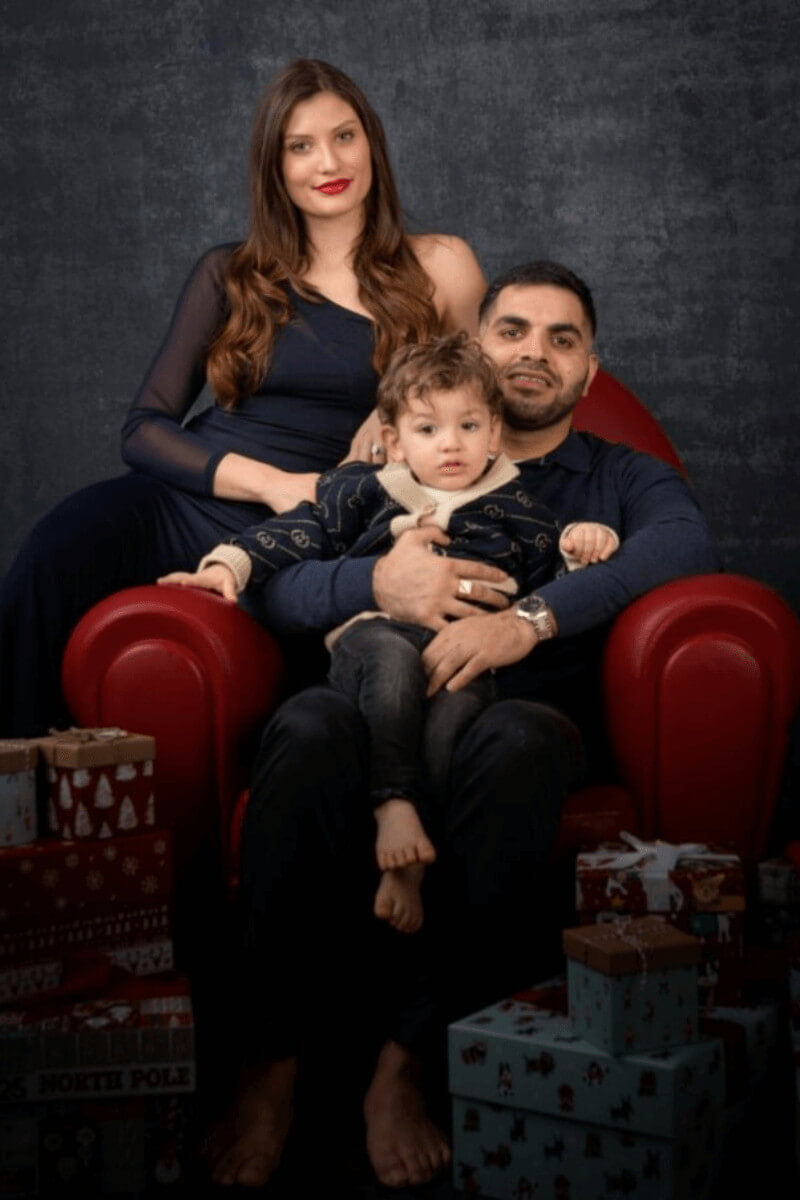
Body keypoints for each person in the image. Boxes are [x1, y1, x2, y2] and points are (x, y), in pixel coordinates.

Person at [203, 262, 721, 1190]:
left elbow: (684, 545)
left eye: (563, 339)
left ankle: (405, 1063)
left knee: (514, 742)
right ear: (474, 349)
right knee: (309, 726)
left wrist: (528, 622)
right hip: (368, 697)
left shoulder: (615, 475)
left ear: (590, 372)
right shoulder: (390, 466)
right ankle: (270, 1065)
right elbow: (285, 579)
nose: (535, 352)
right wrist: (376, 581)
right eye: (512, 330)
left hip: (518, 711)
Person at [0, 58, 486, 737]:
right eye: (300, 146)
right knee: (51, 557)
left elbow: (478, 398)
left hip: (320, 524)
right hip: (190, 502)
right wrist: (272, 484)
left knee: (320, 664)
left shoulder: (440, 265)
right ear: (274, 167)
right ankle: (21, 776)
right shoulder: (230, 273)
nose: (328, 163)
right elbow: (143, 430)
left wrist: (391, 409)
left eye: (344, 137)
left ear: (372, 142)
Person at [158, 331, 618, 933]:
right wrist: (230, 565)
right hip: (372, 638)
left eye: (468, 427)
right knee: (392, 662)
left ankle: (413, 856)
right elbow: (299, 532)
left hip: (464, 656)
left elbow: (548, 591)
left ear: (494, 434)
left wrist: (580, 552)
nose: (450, 444)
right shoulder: (363, 491)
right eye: (428, 429)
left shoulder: (523, 512)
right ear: (395, 442)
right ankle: (393, 806)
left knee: (460, 712)